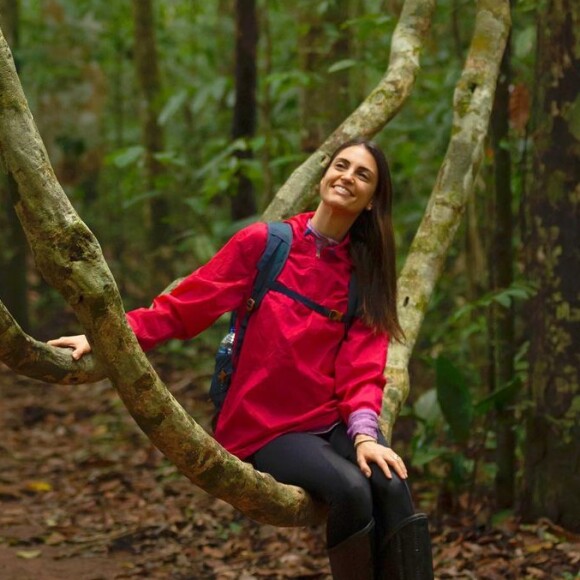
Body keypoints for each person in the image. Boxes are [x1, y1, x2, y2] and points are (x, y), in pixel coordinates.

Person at [49, 139, 434, 579]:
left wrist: (366, 437)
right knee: (351, 491)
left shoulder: (364, 276)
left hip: (329, 421)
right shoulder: (265, 243)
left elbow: (362, 369)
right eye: (341, 166)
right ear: (325, 175)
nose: (347, 176)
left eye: (362, 175)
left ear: (371, 202)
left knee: (391, 483)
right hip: (263, 427)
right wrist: (106, 336)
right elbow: (184, 306)